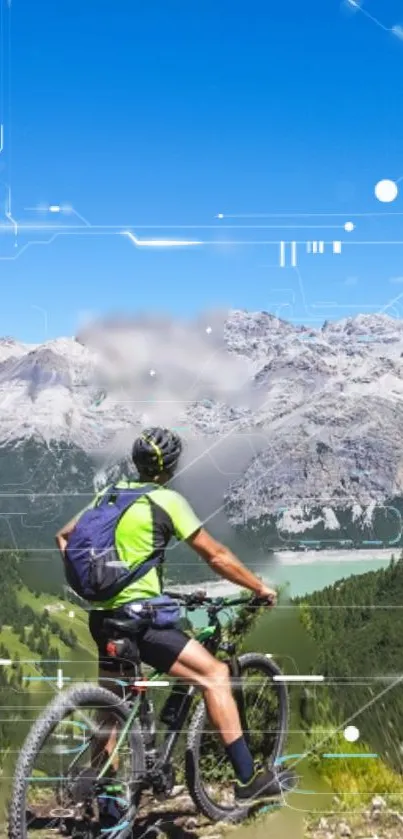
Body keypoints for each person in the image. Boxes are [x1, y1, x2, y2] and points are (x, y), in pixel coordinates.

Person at [55, 427, 294, 805]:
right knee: (215, 676)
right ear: (170, 468)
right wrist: (258, 587)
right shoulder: (166, 500)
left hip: (103, 619)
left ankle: (106, 804)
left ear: (137, 463)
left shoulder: (109, 495)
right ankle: (250, 781)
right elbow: (215, 555)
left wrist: (94, 586)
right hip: (141, 622)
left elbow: (63, 537)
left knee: (111, 709)